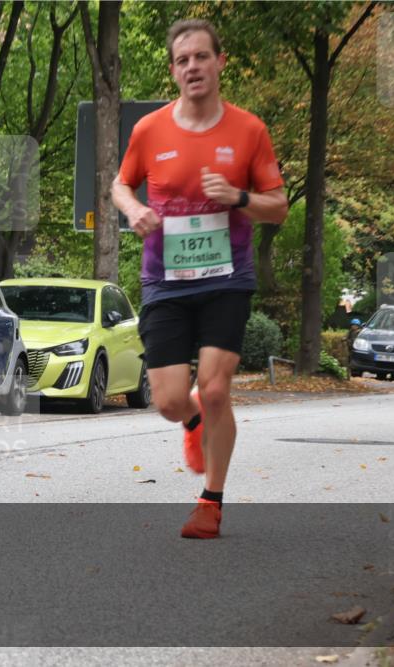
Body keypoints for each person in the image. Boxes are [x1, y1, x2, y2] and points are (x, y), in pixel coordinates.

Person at [112, 19, 289, 538]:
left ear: (220, 63)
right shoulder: (150, 131)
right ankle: (190, 421)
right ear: (173, 70)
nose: (193, 66)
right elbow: (121, 185)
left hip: (226, 278)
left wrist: (236, 197)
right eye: (183, 59)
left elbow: (277, 207)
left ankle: (210, 501)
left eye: (201, 57)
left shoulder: (249, 130)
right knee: (169, 400)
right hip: (165, 280)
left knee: (214, 388)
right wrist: (133, 210)